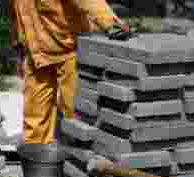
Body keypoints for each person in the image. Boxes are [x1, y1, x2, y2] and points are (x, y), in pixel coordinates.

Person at [8, 0, 128, 144]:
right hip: (36, 54)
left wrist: (110, 24)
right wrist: (18, 47)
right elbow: (17, 15)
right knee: (35, 112)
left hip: (69, 50)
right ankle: (36, 154)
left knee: (74, 108)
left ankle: (77, 153)